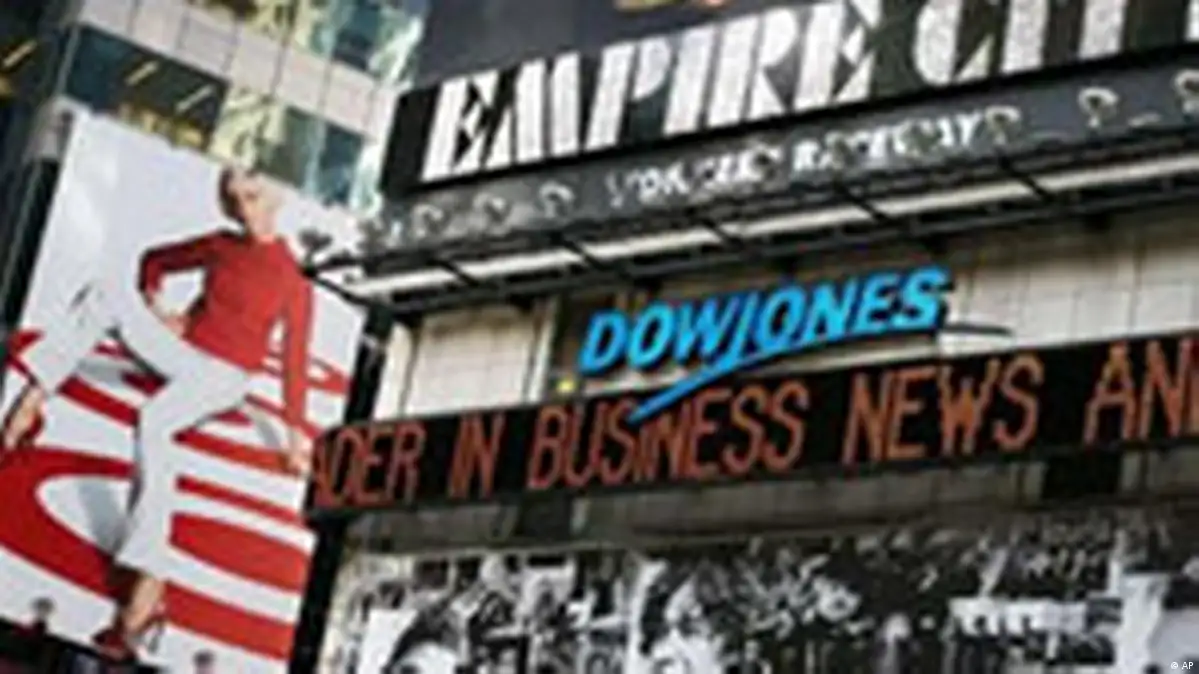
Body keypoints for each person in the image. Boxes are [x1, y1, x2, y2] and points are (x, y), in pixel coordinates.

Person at [0, 167, 315, 661]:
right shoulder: (220, 244)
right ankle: (29, 403)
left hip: (225, 377)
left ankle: (148, 585)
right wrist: (160, 307)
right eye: (232, 200)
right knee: (106, 291)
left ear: (276, 198)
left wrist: (295, 438)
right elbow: (155, 260)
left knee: (155, 421)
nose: (242, 209)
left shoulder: (293, 278)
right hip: (184, 353)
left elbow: (295, 357)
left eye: (251, 197)